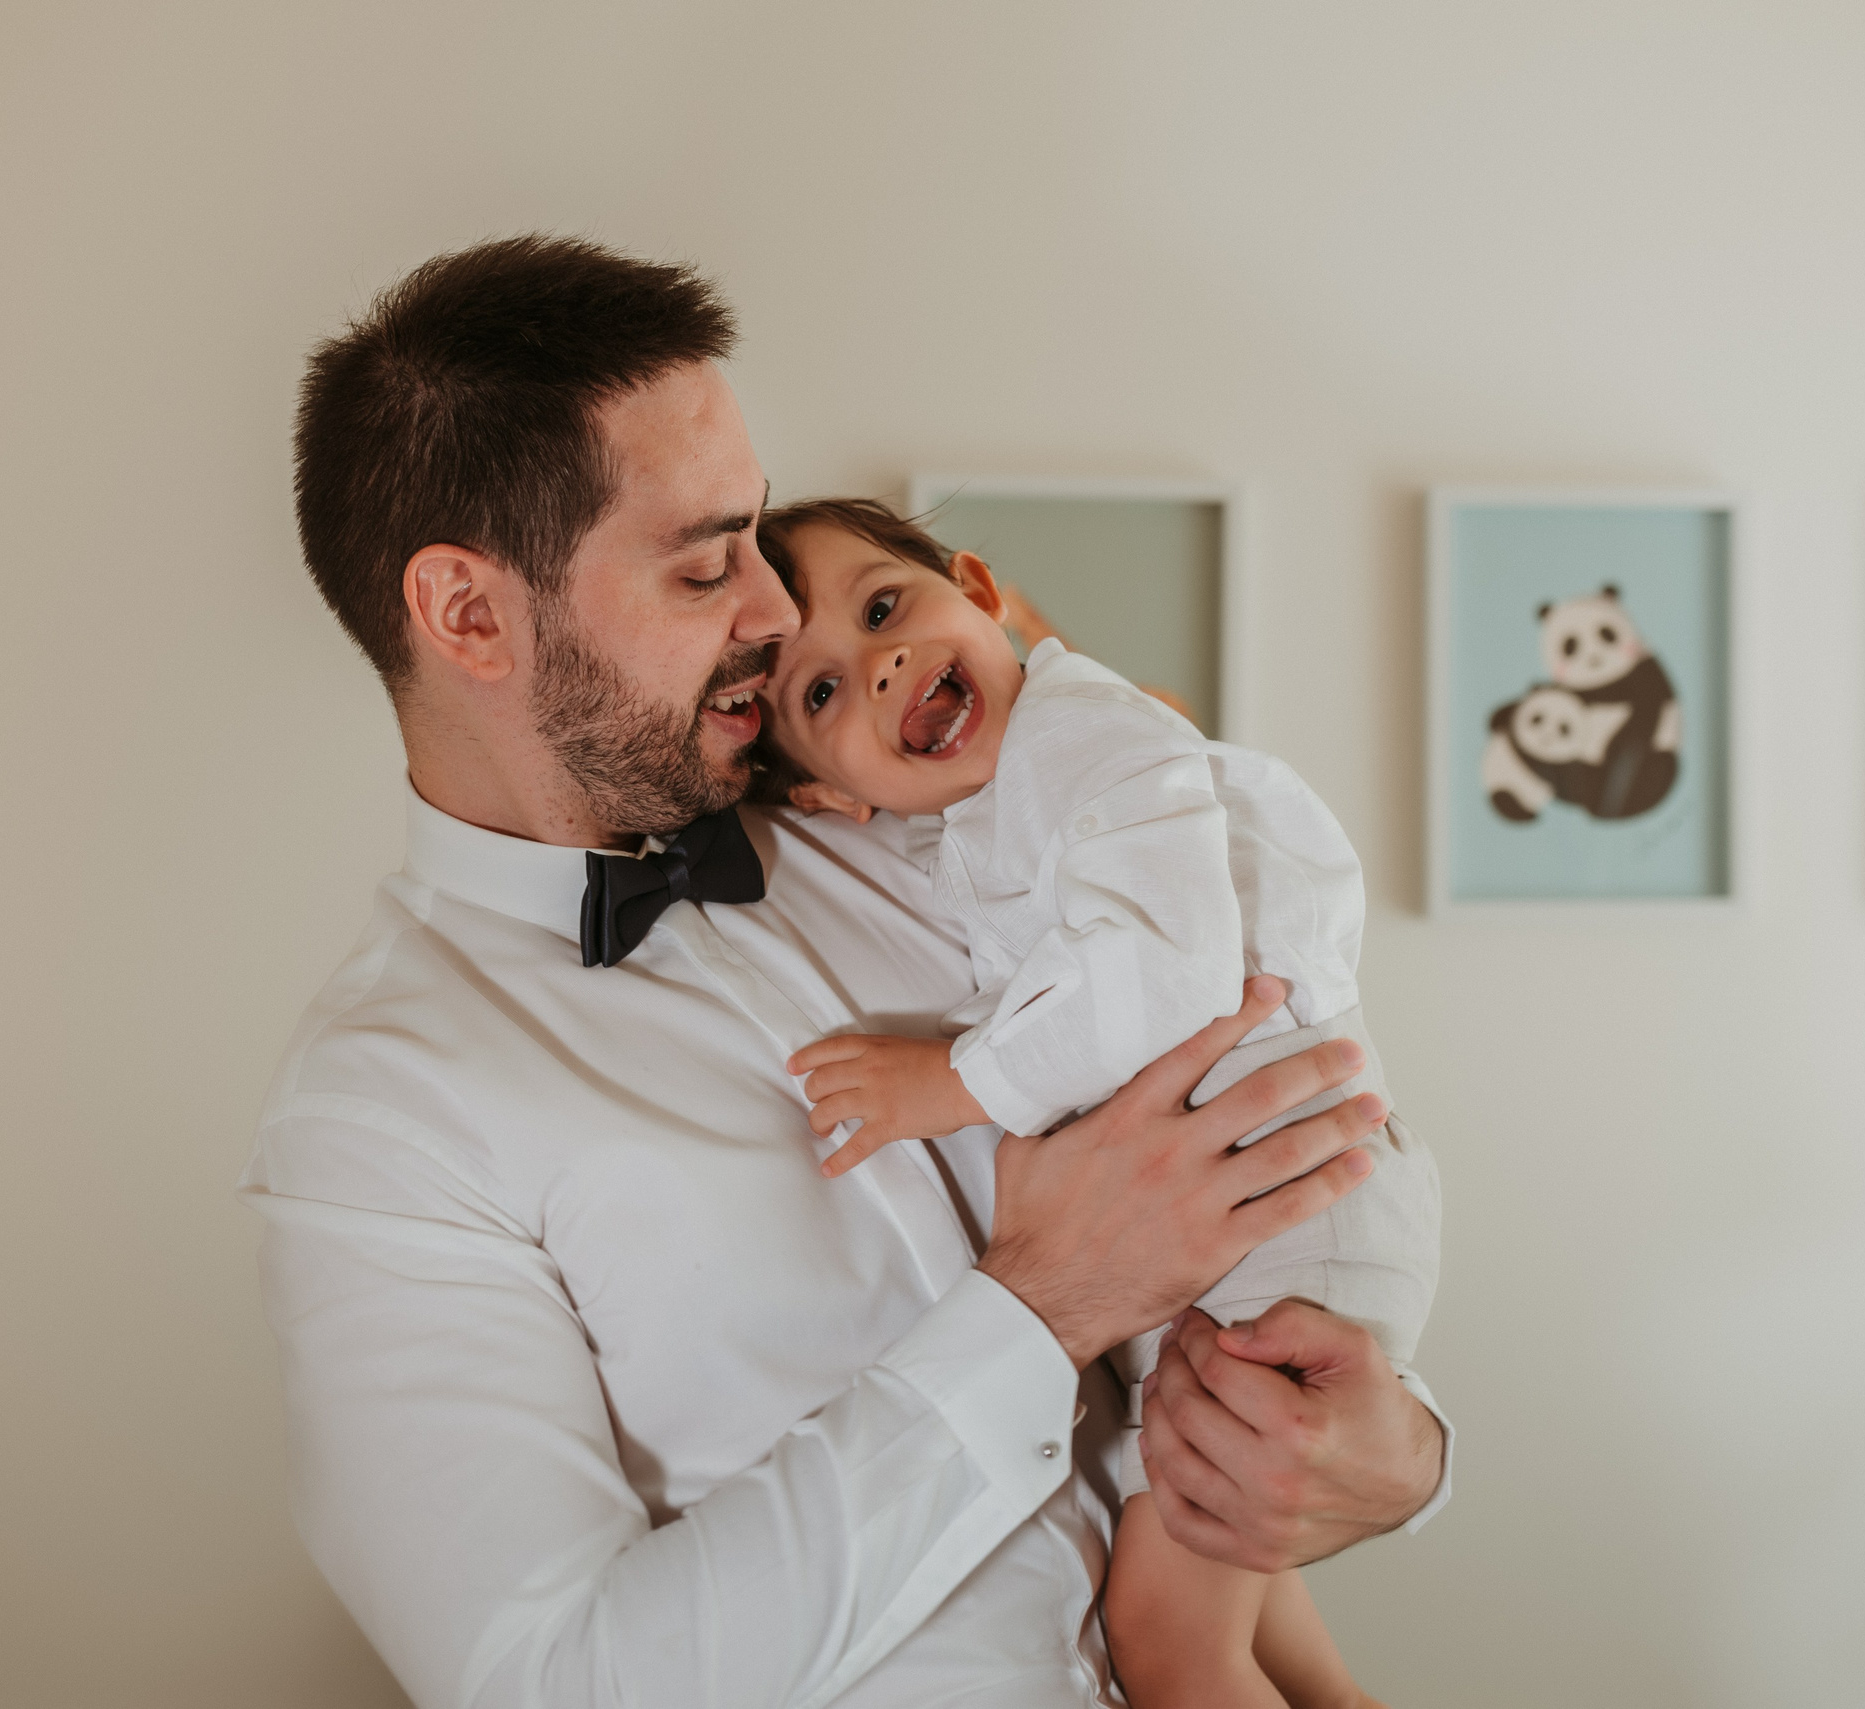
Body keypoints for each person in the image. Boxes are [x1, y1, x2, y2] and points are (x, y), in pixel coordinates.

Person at [243, 233, 1450, 1709]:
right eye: (704, 565)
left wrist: (1398, 1453)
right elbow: (556, 1684)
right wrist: (1039, 1307)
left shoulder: (920, 819)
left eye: (755, 538)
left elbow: (1263, 1136)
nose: (769, 609)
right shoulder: (380, 1125)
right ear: (471, 615)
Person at [747, 498, 1442, 1709]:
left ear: (979, 586)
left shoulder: (1081, 738)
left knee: (1168, 1640)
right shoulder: (964, 818)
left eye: (883, 608)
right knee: (1265, 1622)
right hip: (1254, 1229)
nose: (882, 663)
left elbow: (1162, 971)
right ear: (827, 801)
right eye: (822, 694)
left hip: (1276, 1221)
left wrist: (949, 1079)